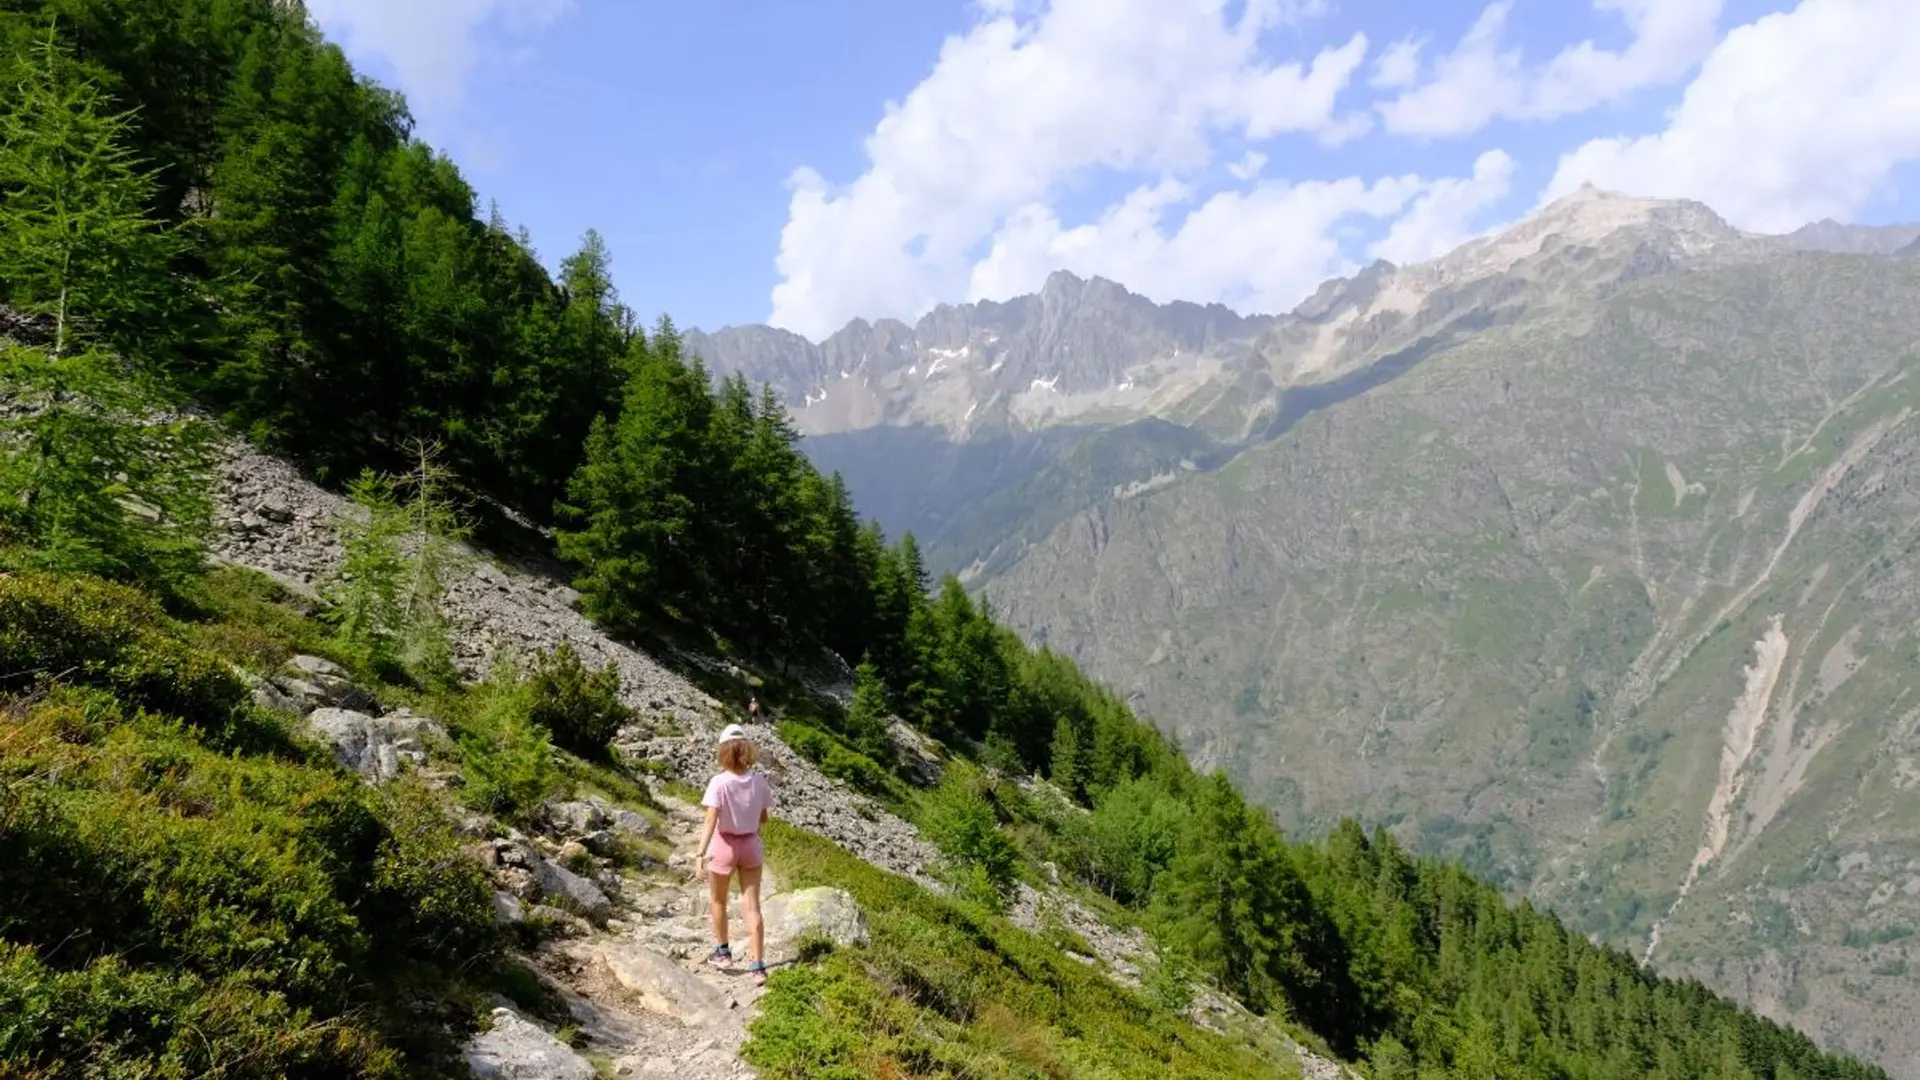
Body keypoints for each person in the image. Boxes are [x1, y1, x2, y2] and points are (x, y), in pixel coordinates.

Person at [694, 723, 776, 985]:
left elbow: (710, 821)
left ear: (725, 752)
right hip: (751, 845)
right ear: (747, 750)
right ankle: (758, 966)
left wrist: (699, 854)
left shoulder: (719, 782)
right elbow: (764, 818)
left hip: (724, 845)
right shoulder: (759, 781)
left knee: (718, 901)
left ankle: (723, 952)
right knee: (752, 906)